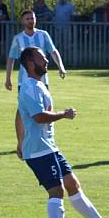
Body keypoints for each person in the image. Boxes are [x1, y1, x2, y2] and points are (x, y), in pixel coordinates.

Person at [17, 46, 109, 218]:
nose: (46, 60)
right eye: (42, 58)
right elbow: (38, 117)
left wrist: (19, 140)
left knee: (72, 184)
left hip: (49, 147)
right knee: (57, 191)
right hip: (39, 150)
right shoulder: (29, 88)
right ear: (30, 63)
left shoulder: (38, 85)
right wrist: (63, 115)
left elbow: (19, 114)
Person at [6, 10, 67, 155]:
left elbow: (53, 51)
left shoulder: (43, 35)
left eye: (32, 18)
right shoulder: (18, 39)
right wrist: (8, 78)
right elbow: (11, 58)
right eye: (27, 19)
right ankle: (21, 140)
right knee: (22, 111)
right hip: (24, 82)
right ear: (22, 21)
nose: (30, 21)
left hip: (42, 81)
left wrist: (61, 67)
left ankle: (46, 138)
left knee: (46, 107)